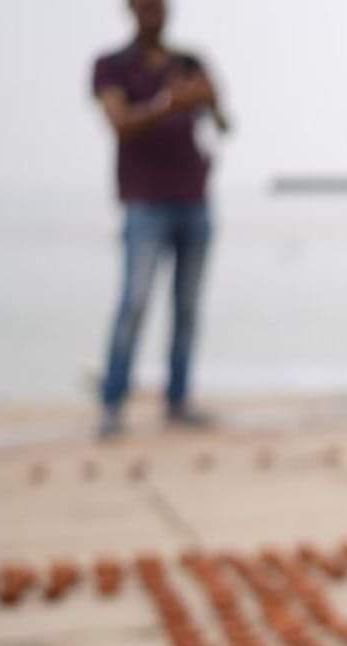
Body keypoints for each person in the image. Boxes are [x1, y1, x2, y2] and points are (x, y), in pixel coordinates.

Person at [90, 0, 228, 440]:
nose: (154, 9)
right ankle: (113, 402)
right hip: (144, 201)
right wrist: (169, 104)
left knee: (187, 307)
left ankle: (179, 399)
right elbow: (120, 124)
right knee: (135, 300)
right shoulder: (111, 66)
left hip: (194, 198)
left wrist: (209, 99)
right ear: (129, 8)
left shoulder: (189, 62)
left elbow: (223, 123)